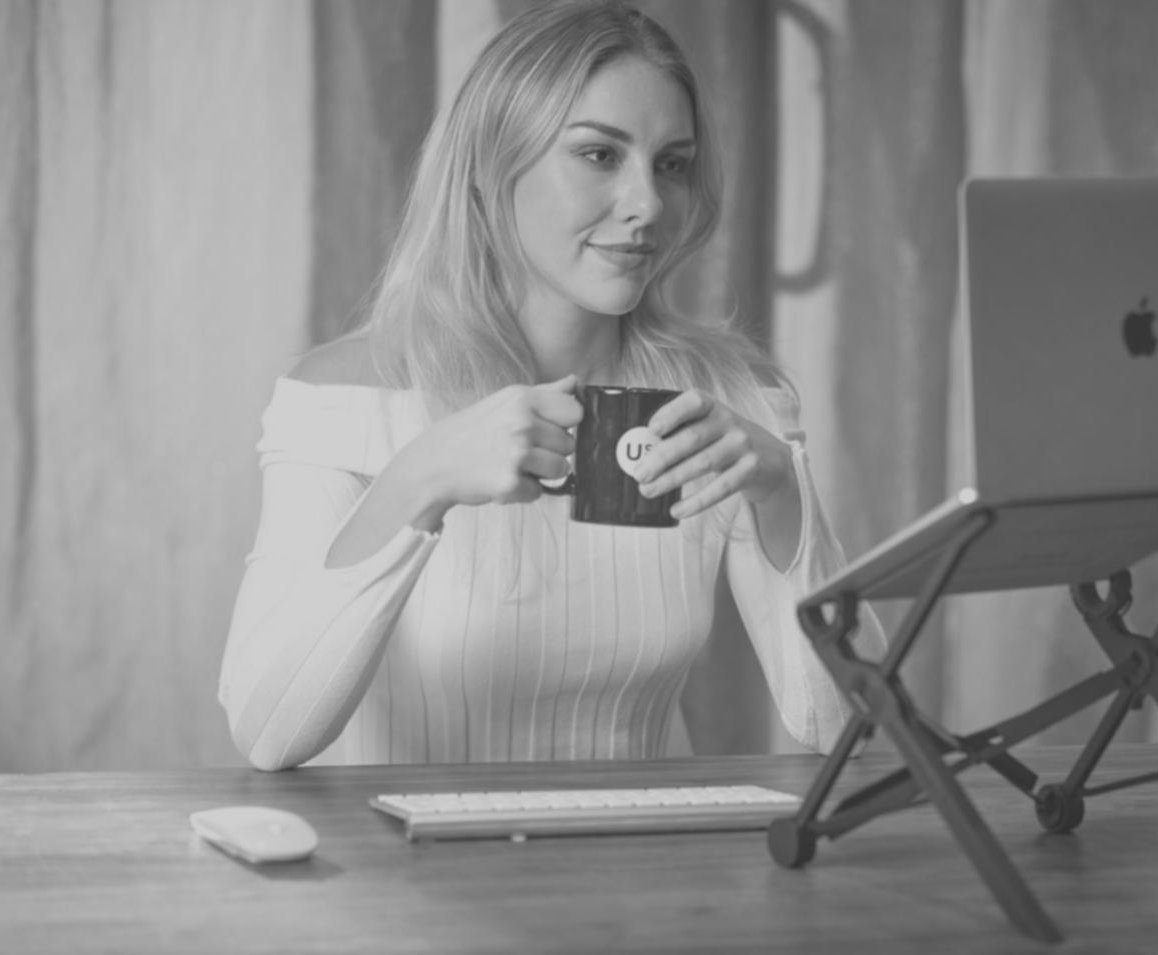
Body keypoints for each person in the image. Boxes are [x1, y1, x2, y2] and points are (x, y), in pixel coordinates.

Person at [218, 0, 885, 771]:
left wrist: (781, 493)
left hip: (640, 871)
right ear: (488, 166)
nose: (648, 204)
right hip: (394, 884)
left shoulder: (727, 402)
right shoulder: (338, 402)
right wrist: (420, 478)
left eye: (670, 163)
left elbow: (851, 727)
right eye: (600, 155)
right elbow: (267, 735)